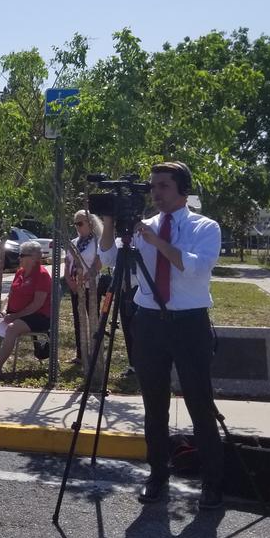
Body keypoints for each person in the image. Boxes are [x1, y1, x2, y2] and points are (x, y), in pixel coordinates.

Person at [97, 161, 224, 510]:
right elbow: (108, 258)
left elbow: (196, 266)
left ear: (183, 189)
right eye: (152, 186)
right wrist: (109, 221)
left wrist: (157, 241)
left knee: (199, 402)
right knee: (154, 405)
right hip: (149, 321)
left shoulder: (204, 226)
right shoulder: (141, 227)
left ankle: (212, 482)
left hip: (189, 322)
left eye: (164, 186)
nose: (155, 193)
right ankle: (157, 474)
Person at [0, 241, 52, 378]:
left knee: (12, 328)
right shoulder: (19, 273)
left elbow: (37, 304)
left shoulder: (42, 275)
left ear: (34, 257)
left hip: (38, 316)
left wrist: (14, 316)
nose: (19, 258)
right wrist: (4, 310)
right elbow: (9, 296)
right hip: (14, 314)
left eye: (22, 255)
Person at [65, 209, 104, 366]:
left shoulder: (97, 242)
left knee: (92, 319)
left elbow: (98, 264)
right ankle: (80, 354)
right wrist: (71, 282)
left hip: (91, 287)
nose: (77, 226)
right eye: (75, 224)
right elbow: (67, 263)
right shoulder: (74, 243)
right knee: (78, 319)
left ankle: (95, 353)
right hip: (76, 287)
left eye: (80, 223)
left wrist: (86, 278)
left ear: (91, 223)